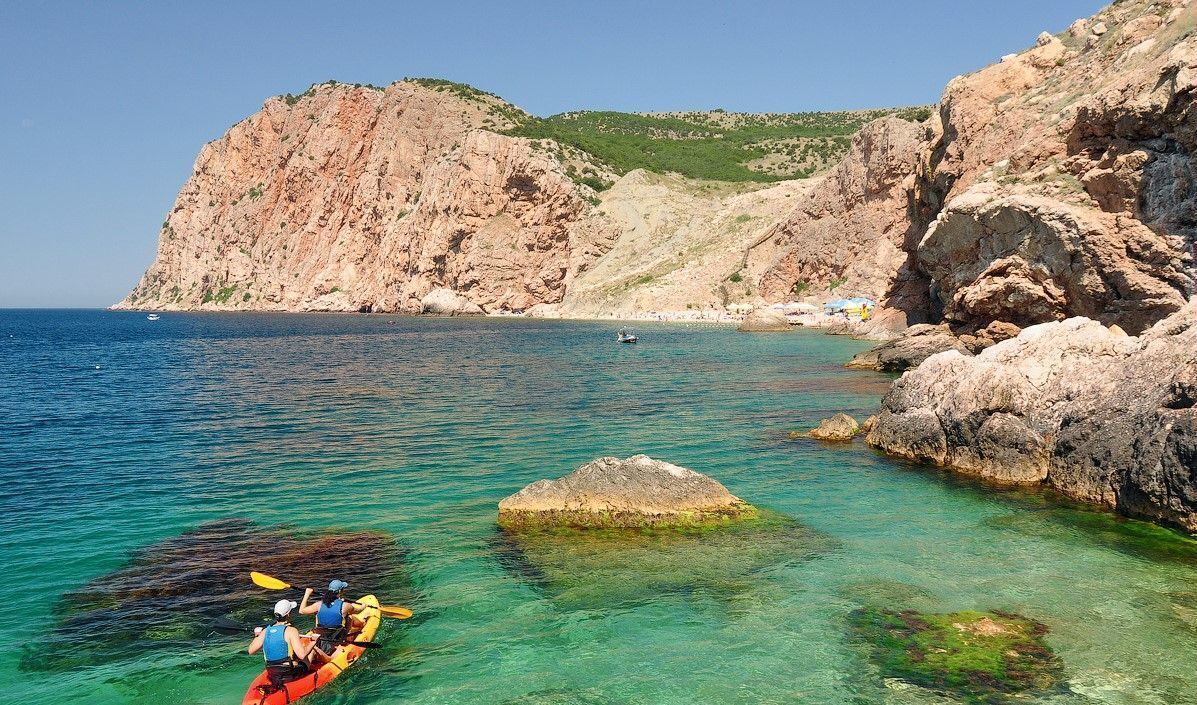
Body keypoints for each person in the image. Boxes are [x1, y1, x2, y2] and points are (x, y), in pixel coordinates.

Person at [247, 599, 327, 686]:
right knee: (312, 651)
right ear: (288, 614)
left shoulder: (266, 631)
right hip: (290, 672)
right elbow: (302, 655)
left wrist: (257, 636)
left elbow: (250, 651)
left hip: (273, 671)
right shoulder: (291, 631)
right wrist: (313, 641)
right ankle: (326, 664)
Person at [299, 579, 366, 653]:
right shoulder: (345, 606)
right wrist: (364, 606)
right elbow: (358, 611)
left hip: (322, 633)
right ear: (340, 592)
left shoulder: (319, 604)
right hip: (338, 636)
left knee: (318, 616)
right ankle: (361, 625)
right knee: (350, 616)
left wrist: (307, 594)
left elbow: (301, 611)